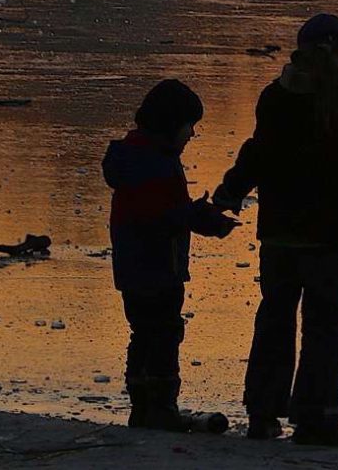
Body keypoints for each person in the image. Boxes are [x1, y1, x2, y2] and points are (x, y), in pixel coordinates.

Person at [213, 12, 338, 446]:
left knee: (274, 320)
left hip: (278, 234)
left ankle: (263, 414)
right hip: (326, 238)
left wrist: (232, 189)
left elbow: (258, 152)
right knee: (326, 326)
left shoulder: (275, 95)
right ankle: (318, 419)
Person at [101, 78, 240, 433]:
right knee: (162, 333)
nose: (191, 134)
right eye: (188, 126)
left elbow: (164, 213)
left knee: (144, 333)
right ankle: (159, 407)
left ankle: (144, 405)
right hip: (157, 267)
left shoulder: (139, 157)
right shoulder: (155, 164)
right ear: (169, 125)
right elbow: (165, 218)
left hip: (134, 268)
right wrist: (205, 219)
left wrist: (195, 215)